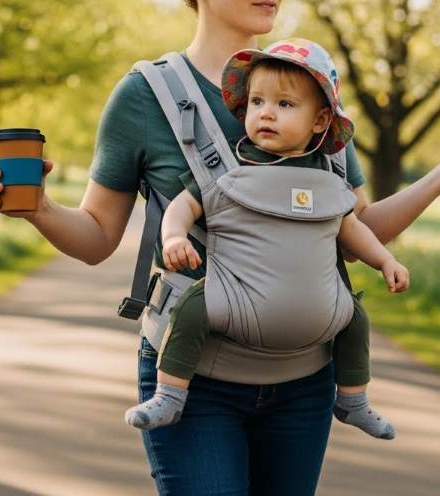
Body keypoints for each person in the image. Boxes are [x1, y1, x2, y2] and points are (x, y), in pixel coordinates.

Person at [0, 1, 440, 496]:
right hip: (193, 383)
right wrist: (39, 208)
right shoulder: (144, 96)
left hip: (303, 385)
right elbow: (99, 237)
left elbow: (353, 232)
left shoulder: (313, 84)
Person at [123, 39, 405, 443]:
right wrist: (173, 237)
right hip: (231, 301)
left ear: (321, 121)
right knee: (191, 309)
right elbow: (185, 205)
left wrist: (385, 262)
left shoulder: (327, 177)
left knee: (355, 318)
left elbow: (352, 229)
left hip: (319, 317)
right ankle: (169, 393)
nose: (265, 113)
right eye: (256, 102)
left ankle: (353, 399)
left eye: (285, 105)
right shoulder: (231, 168)